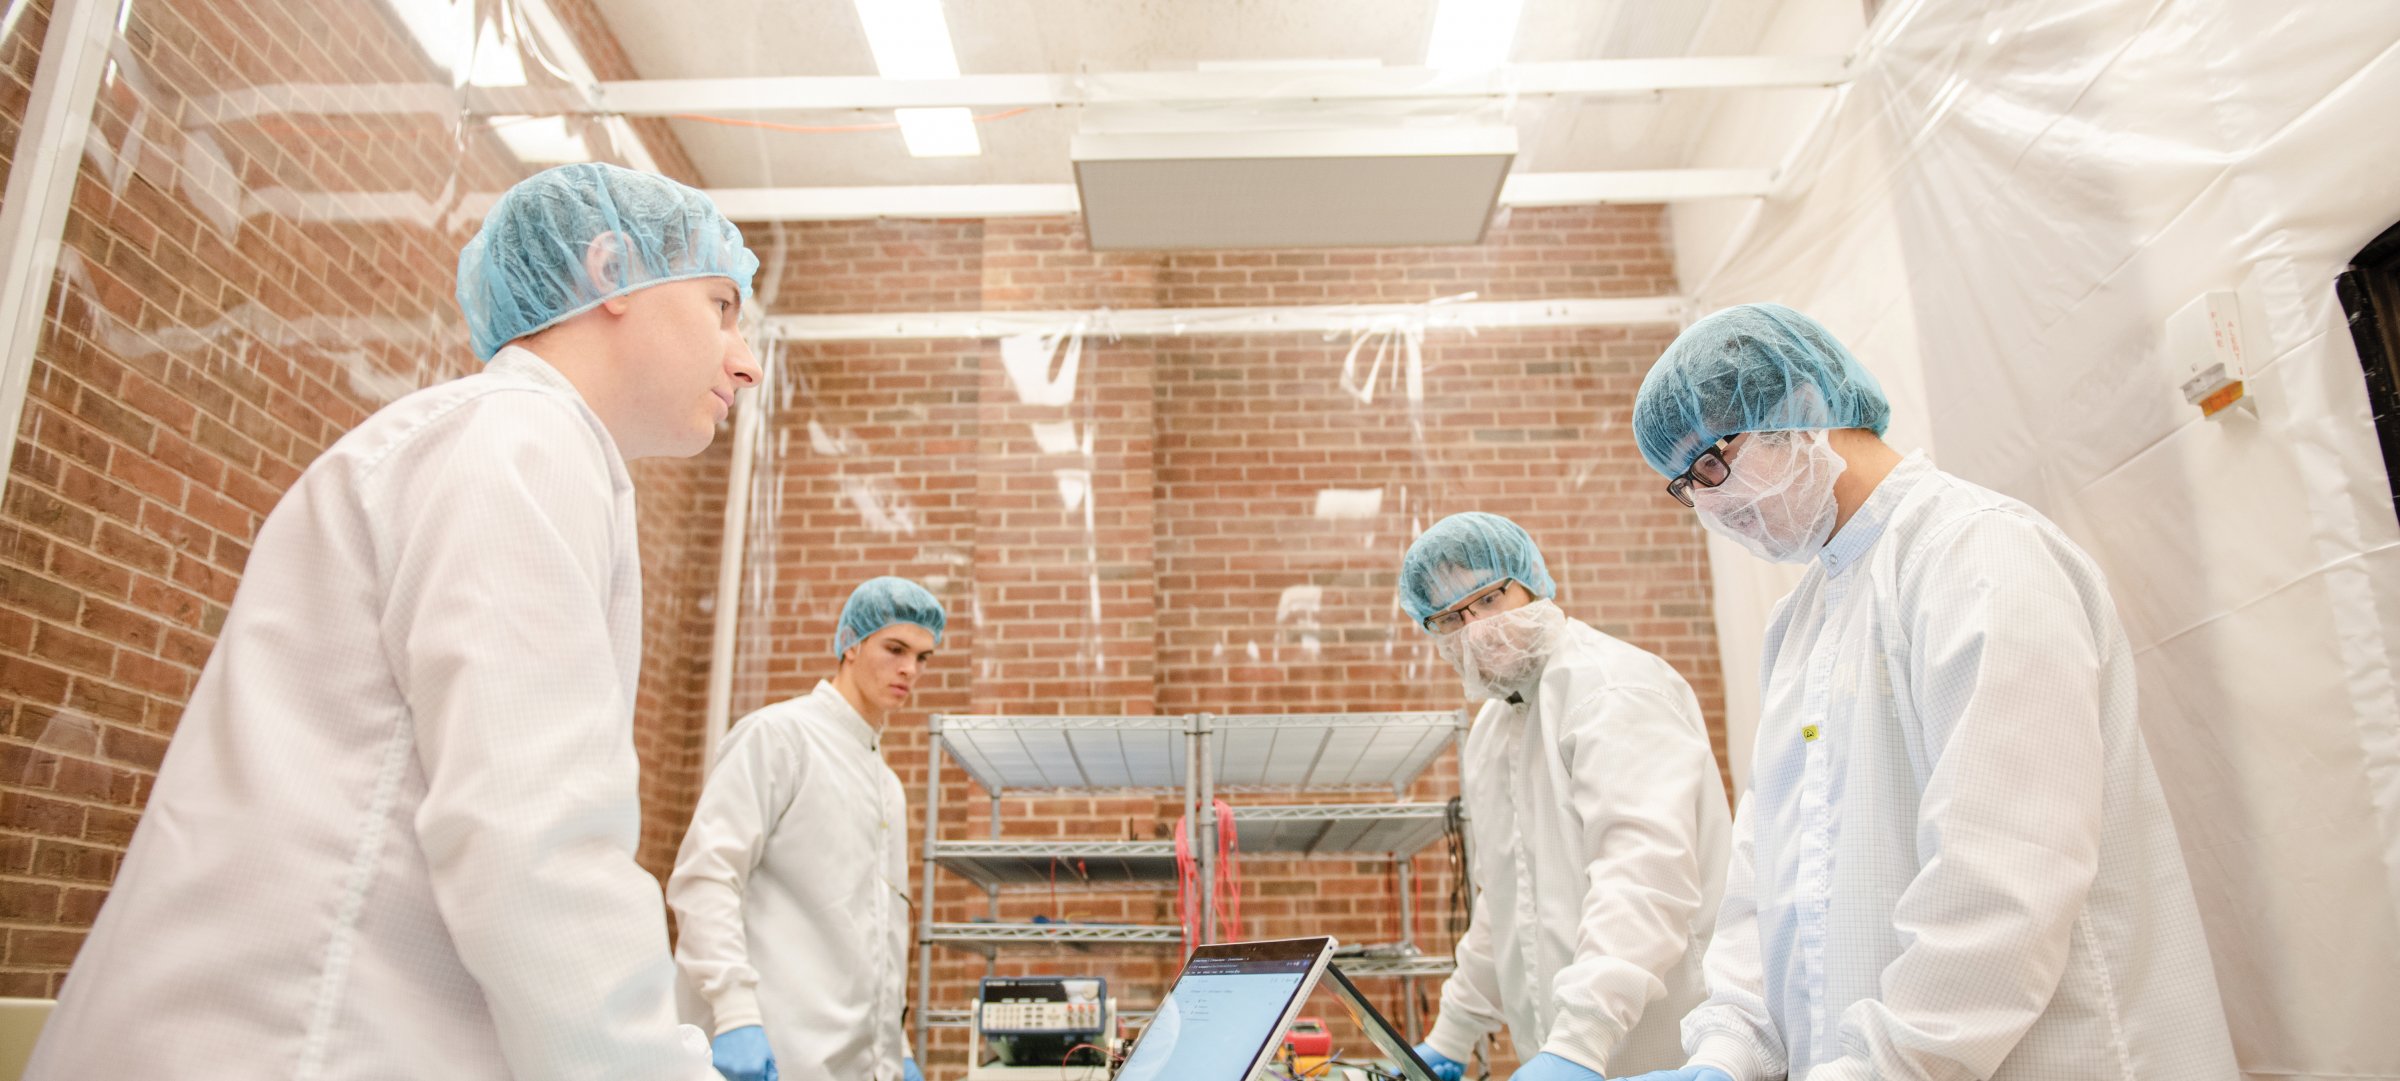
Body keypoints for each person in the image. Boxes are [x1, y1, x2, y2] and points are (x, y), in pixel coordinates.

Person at [25, 161, 761, 1081]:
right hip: (303, 1040)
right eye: (721, 305)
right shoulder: (519, 441)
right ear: (611, 270)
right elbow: (534, 842)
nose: (746, 359)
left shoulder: (493, 441)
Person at [1618, 303, 2238, 1081]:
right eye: (1686, 485)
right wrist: (1729, 1049)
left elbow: (2004, 877)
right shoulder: (1802, 620)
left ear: (1802, 406)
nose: (1709, 501)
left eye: (1713, 462)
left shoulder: (1977, 553)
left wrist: (1886, 1064)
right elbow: (1767, 876)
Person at [1396, 513, 1733, 1081]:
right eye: (1449, 618)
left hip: (1662, 1055)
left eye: (1488, 599)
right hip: (1567, 1055)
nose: (1474, 629)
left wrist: (1578, 1042)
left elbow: (1644, 880)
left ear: (1531, 580)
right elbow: (1503, 905)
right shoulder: (1493, 731)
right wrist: (1450, 1035)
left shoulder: (1611, 689)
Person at [668, 577, 946, 1081]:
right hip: (773, 1054)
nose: (909, 669)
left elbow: (876, 934)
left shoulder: (886, 786)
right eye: (895, 648)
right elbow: (706, 878)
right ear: (851, 643)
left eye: (923, 657)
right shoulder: (779, 738)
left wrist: (894, 1047)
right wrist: (733, 1015)